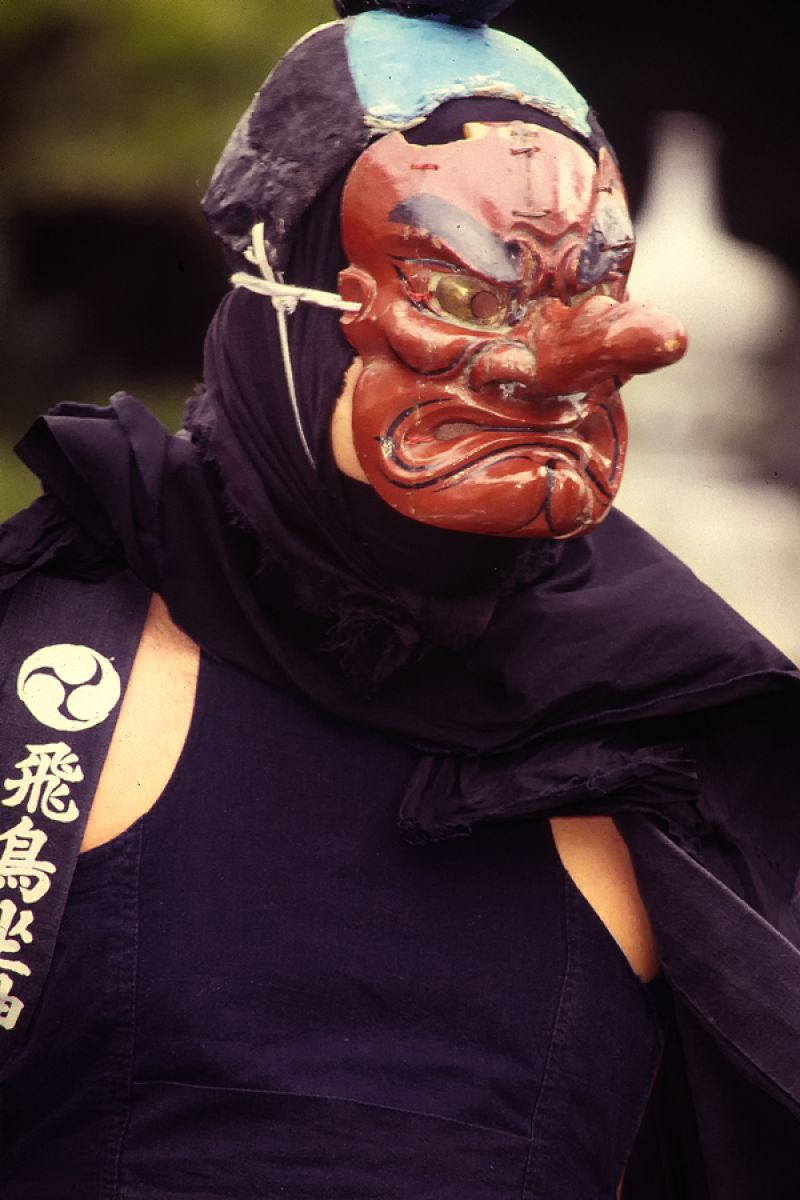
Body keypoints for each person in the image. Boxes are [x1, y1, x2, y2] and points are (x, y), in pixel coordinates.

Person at [1, 2, 799, 1195]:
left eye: (595, 290)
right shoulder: (50, 669)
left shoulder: (670, 746)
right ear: (288, 303)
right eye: (469, 295)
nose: (568, 357)